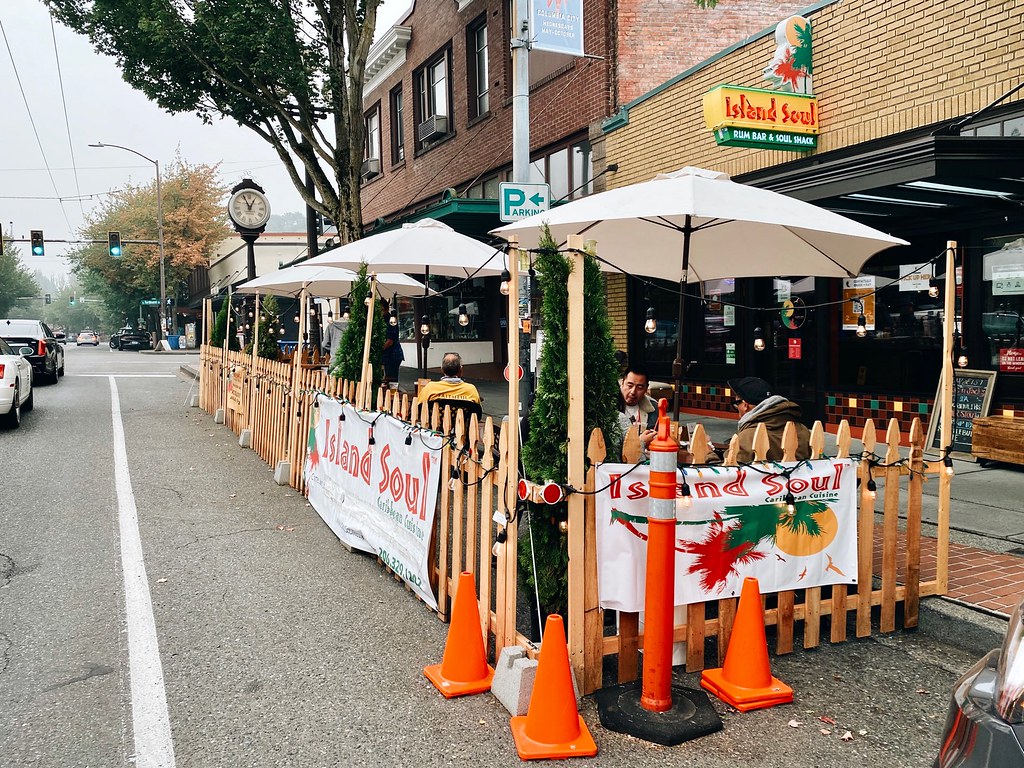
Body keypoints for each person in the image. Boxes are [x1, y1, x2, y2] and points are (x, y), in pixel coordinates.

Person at [728, 376, 811, 463]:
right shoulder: (803, 431)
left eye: (736, 404)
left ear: (745, 405)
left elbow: (728, 470)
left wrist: (711, 454)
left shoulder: (747, 437)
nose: (736, 408)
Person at [616, 366, 658, 457]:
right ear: (622, 383)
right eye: (629, 385)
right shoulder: (610, 405)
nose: (633, 392)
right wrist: (640, 442)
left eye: (640, 387)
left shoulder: (654, 408)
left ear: (646, 389)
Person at [417, 352, 482, 404]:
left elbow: (419, 407)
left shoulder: (430, 388)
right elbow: (478, 413)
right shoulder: (470, 390)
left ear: (442, 369)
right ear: (461, 370)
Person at [380, 301, 405, 390]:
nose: (380, 312)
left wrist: (378, 350)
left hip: (393, 355)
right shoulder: (381, 320)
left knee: (392, 380)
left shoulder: (391, 321)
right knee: (387, 380)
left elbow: (390, 341)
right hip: (387, 356)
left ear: (386, 309)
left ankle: (393, 398)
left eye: (381, 310)